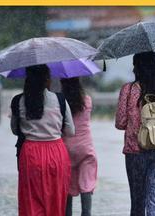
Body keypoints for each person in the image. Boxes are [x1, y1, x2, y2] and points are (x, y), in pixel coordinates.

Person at [10, 64, 75, 216]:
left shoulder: (18, 101)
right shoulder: (59, 100)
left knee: (31, 200)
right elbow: (70, 131)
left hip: (30, 155)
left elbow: (15, 130)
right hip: (56, 154)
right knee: (55, 200)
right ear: (47, 80)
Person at [115, 51, 155, 216]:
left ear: (138, 67)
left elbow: (120, 123)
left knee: (138, 202)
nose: (133, 69)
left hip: (135, 152)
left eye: (135, 65)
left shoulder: (129, 89)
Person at [61, 78, 98, 216]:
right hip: (85, 148)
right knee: (87, 184)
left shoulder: (61, 102)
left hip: (66, 148)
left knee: (67, 187)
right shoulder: (87, 100)